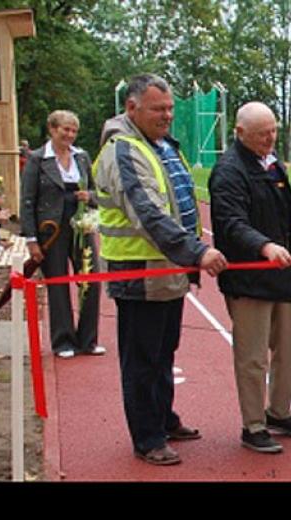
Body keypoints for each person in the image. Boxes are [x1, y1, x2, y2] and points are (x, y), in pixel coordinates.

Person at [93, 73, 227, 466]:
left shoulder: (164, 145)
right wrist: (196, 252)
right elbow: (148, 213)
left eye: (170, 107)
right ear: (131, 108)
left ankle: (163, 419)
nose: (167, 115)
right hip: (139, 274)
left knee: (164, 352)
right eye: (158, 109)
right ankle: (148, 438)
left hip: (168, 271)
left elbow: (181, 200)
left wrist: (188, 258)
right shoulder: (124, 150)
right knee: (142, 358)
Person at [209, 102, 291, 454]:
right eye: (261, 134)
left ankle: (279, 411)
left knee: (290, 347)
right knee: (253, 356)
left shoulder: (271, 164)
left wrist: (288, 260)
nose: (270, 138)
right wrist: (265, 246)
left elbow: (286, 216)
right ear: (240, 133)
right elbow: (230, 222)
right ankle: (253, 425)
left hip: (281, 275)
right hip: (249, 277)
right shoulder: (228, 170)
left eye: (273, 131)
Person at [21, 110, 104, 359]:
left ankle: (88, 339)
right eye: (65, 129)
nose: (69, 135)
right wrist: (31, 239)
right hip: (51, 229)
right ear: (52, 129)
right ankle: (63, 341)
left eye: (73, 131)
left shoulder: (82, 157)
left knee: (91, 279)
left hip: (81, 224)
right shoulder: (37, 159)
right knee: (57, 282)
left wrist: (89, 197)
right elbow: (27, 201)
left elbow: (95, 191)